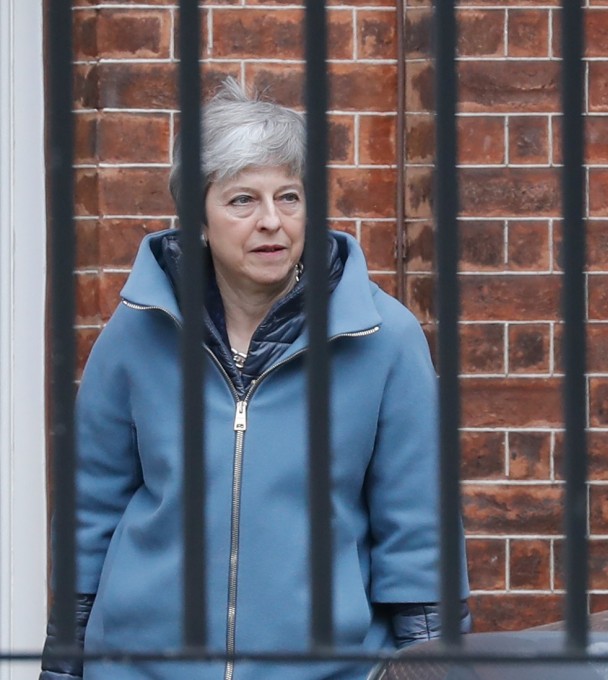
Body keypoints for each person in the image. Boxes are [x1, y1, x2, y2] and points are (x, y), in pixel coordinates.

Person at [40, 78, 469, 679]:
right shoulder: (135, 334)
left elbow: (419, 535)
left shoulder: (383, 339)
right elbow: (89, 515)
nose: (272, 221)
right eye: (243, 200)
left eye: (289, 197)